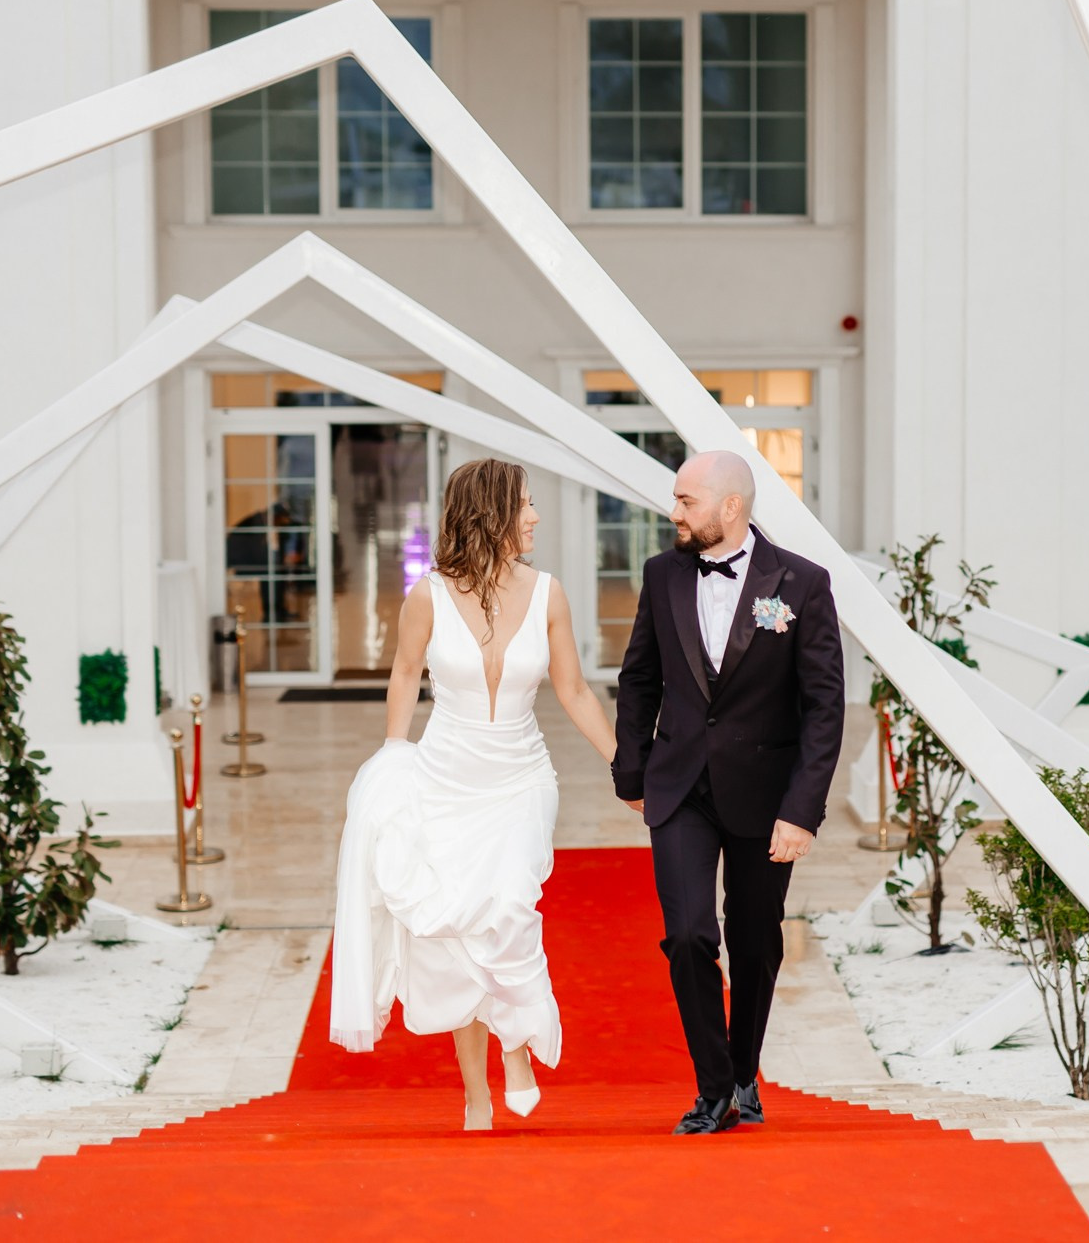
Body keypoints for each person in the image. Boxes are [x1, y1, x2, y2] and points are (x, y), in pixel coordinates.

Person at [329, 458, 617, 1131]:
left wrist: (626, 766)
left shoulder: (549, 595)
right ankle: (475, 1095)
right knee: (454, 931)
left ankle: (515, 1047)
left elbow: (574, 690)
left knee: (510, 904)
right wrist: (394, 754)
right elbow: (405, 673)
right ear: (491, 512)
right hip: (445, 779)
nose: (536, 516)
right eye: (525, 504)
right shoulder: (428, 596)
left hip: (521, 779)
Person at [611, 450, 846, 1135]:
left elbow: (824, 707)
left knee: (754, 941)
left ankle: (744, 1072)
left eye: (687, 501)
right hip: (680, 786)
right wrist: (633, 773)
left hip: (766, 796)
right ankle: (714, 1088)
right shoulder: (661, 574)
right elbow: (639, 678)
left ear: (731, 506)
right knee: (688, 935)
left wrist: (801, 811)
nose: (674, 512)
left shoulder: (802, 583)